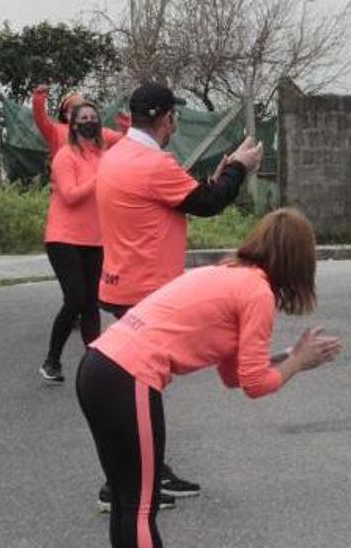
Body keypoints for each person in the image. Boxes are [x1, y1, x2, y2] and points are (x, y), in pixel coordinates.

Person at [78, 208, 344, 548]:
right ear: (299, 261)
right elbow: (255, 385)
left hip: (98, 366)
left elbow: (234, 375)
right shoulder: (257, 292)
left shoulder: (228, 273)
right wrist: (299, 363)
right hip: (127, 375)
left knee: (125, 499)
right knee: (140, 507)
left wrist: (290, 355)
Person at [91, 81, 264, 511]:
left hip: (121, 282)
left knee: (144, 384)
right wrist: (238, 168)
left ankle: (150, 470)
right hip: (145, 288)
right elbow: (208, 203)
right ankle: (125, 482)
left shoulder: (120, 155)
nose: (175, 124)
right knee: (144, 383)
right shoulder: (152, 163)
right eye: (175, 117)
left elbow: (183, 197)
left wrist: (221, 176)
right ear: (166, 118)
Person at [38, 101, 108, 383]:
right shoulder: (65, 156)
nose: (90, 121)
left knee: (92, 303)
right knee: (76, 299)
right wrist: (99, 178)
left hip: (95, 239)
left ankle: (97, 365)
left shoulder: (104, 156)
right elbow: (69, 195)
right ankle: (51, 361)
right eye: (84, 118)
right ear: (74, 125)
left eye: (94, 117)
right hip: (63, 238)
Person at [32, 84, 130, 158]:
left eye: (81, 107)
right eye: (74, 108)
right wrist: (39, 97)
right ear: (66, 114)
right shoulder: (56, 131)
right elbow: (41, 119)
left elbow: (125, 140)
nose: (78, 111)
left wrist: (127, 126)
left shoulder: (100, 132)